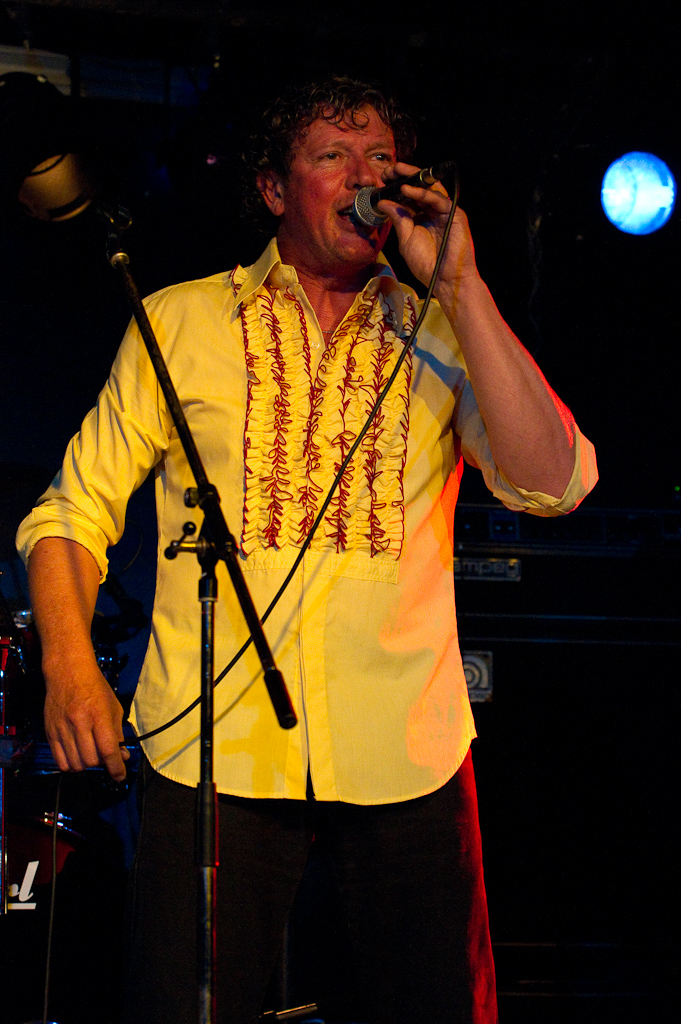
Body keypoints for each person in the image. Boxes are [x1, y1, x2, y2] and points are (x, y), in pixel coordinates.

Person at [17, 77, 597, 1024]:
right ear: (273, 189)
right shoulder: (180, 322)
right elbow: (70, 512)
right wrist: (71, 667)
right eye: (333, 157)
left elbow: (555, 483)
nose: (365, 179)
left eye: (381, 160)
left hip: (405, 750)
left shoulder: (443, 329)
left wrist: (463, 289)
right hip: (214, 756)